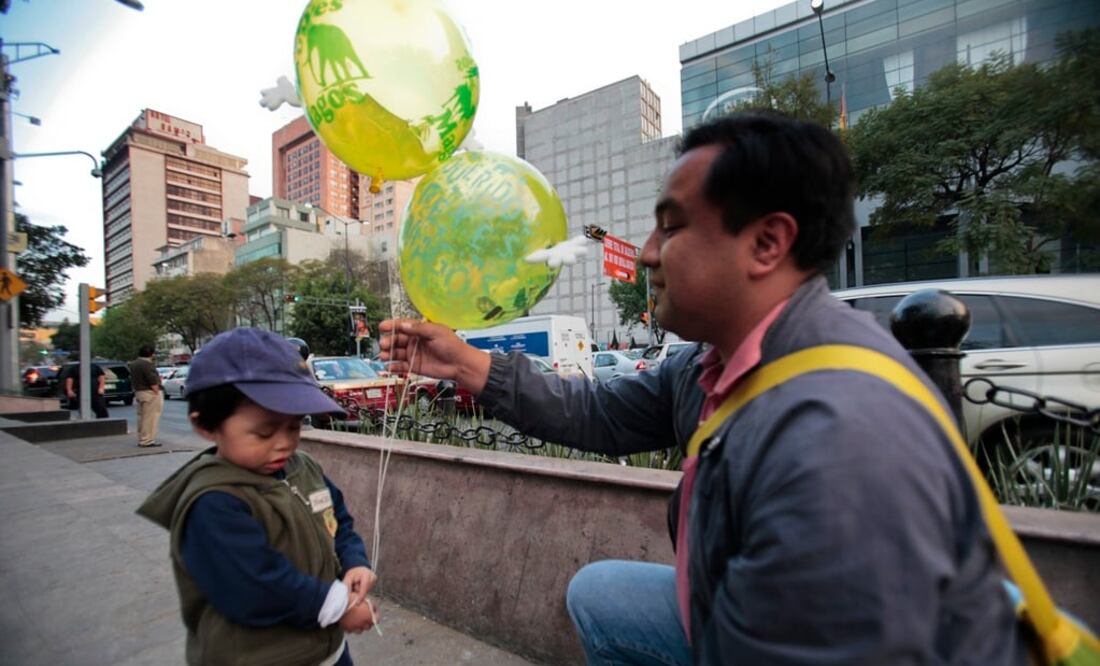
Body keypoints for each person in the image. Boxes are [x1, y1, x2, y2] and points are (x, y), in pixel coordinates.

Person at [379, 113, 1026, 664]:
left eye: (672, 226)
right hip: (732, 610)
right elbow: (600, 413)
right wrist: (466, 364)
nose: (648, 253)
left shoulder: (839, 437)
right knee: (600, 593)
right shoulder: (708, 364)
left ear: (767, 243)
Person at [137, 328, 379, 666]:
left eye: (294, 427)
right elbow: (255, 587)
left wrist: (354, 562)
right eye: (264, 431)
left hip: (328, 652)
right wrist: (340, 607)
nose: (283, 443)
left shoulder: (303, 467)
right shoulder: (213, 501)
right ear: (206, 426)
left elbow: (339, 521)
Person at [129, 345, 164, 447]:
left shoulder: (134, 364)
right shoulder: (147, 365)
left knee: (142, 417)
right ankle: (147, 440)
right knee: (151, 418)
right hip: (150, 393)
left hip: (139, 392)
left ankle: (142, 438)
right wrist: (156, 391)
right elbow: (152, 380)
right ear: (151, 354)